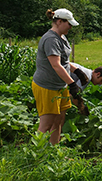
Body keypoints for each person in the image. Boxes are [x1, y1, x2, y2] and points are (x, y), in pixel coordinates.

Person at [32, 8, 83, 145]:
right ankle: (37, 155)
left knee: (58, 121)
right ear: (59, 21)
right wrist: (73, 84)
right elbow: (56, 65)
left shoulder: (62, 37)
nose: (70, 27)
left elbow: (64, 62)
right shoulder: (50, 39)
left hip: (60, 85)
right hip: (47, 86)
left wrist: (77, 71)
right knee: (46, 124)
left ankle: (53, 151)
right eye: (69, 24)